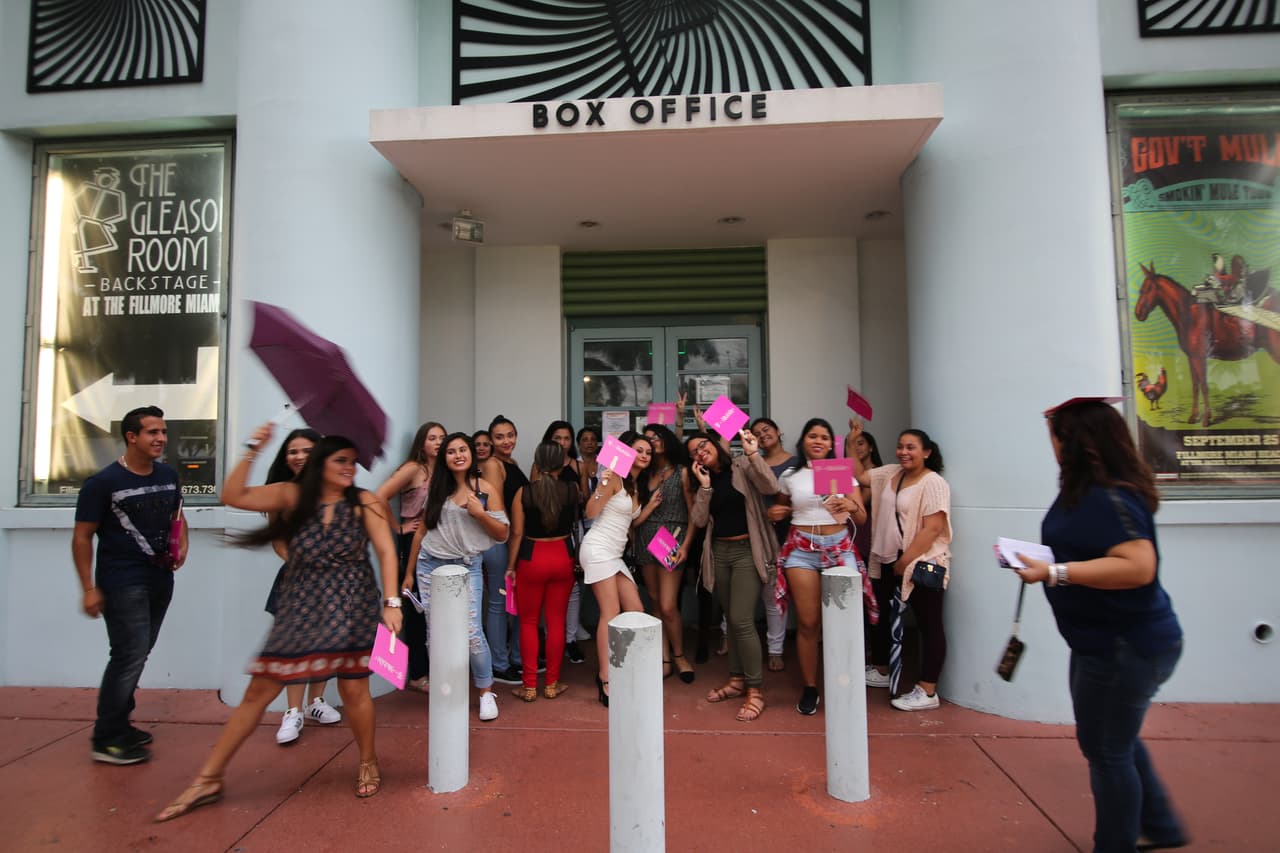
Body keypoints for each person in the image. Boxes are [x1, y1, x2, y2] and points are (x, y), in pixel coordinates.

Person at [154, 428, 401, 821]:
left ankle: (368, 761)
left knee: (354, 692)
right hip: (301, 605)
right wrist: (253, 448)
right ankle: (209, 777)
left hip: (352, 605)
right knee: (259, 690)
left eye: (352, 462)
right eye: (340, 460)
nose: (349, 468)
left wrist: (392, 603)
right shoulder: (291, 495)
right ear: (321, 463)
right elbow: (232, 496)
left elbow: (387, 552)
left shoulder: (364, 501)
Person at [1015, 398, 1186, 853]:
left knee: (1107, 750)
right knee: (1114, 741)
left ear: (1074, 442)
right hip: (1101, 641)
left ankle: (1116, 844)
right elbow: (1086, 547)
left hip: (1125, 644)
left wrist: (1055, 572)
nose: (1050, 446)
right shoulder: (1084, 489)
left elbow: (1137, 566)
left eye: (1054, 436)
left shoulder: (1110, 495)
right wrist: (1047, 562)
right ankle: (1162, 826)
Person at [73, 405, 187, 765]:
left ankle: (120, 723)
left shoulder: (169, 475)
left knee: (138, 652)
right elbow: (82, 537)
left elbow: (177, 517)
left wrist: (182, 546)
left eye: (164, 432)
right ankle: (106, 737)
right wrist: (88, 588)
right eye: (153, 432)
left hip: (160, 577)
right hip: (122, 580)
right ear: (131, 437)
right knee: (127, 654)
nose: (161, 439)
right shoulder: (102, 484)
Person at [848, 418, 951, 711]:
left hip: (919, 564)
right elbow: (858, 475)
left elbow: (932, 529)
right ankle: (881, 671)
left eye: (911, 447)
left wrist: (905, 561)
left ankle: (928, 690)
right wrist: (852, 440)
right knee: (880, 616)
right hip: (885, 560)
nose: (904, 452)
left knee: (929, 625)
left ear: (927, 452)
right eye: (900, 446)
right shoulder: (891, 473)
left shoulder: (934, 482)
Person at [408, 433, 510, 721]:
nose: (457, 455)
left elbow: (503, 533)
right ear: (445, 458)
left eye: (462, 449)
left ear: (471, 455)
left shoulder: (485, 488)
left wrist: (479, 513)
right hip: (429, 565)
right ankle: (447, 689)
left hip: (468, 566)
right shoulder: (436, 489)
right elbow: (421, 531)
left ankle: (485, 691)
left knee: (472, 634)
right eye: (451, 451)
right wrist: (407, 573)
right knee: (436, 635)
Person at [770, 418, 867, 715]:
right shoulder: (790, 475)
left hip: (839, 548)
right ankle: (810, 687)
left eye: (824, 437)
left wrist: (851, 506)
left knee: (844, 623)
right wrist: (776, 512)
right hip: (801, 551)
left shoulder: (843, 473)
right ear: (804, 441)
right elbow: (779, 509)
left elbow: (860, 518)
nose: (819, 441)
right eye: (813, 435)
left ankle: (843, 684)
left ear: (830, 444)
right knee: (809, 623)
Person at [689, 428, 780, 722]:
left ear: (715, 444)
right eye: (694, 452)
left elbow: (770, 486)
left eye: (703, 446)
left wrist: (753, 453)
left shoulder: (741, 465)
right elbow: (700, 520)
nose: (700, 452)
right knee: (731, 617)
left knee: (741, 620)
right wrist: (704, 488)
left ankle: (755, 690)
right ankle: (736, 679)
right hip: (720, 552)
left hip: (746, 550)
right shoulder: (705, 480)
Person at [262, 428, 343, 743]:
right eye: (292, 451)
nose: (298, 457)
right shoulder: (279, 493)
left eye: (306, 451)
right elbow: (278, 540)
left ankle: (316, 702)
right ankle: (292, 712)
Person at [580, 431, 652, 706]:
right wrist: (603, 483)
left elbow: (630, 521)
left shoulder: (635, 484)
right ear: (626, 452)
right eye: (639, 450)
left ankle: (625, 666)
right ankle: (606, 677)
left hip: (614, 553)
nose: (645, 455)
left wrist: (650, 507)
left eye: (648, 452)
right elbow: (590, 512)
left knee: (636, 610)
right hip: (598, 549)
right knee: (610, 614)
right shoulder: (614, 478)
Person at [375, 421, 446, 693]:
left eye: (442, 437)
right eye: (432, 437)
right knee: (415, 610)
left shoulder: (442, 470)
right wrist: (398, 527)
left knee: (434, 610)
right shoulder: (413, 468)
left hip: (437, 543)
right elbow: (379, 496)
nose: (438, 442)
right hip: (412, 541)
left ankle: (431, 668)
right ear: (421, 442)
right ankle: (417, 673)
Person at [506, 442, 577, 701]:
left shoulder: (524, 493)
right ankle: (551, 684)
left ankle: (528, 687)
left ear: (536, 462)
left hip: (532, 558)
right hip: (563, 556)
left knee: (528, 622)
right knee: (557, 622)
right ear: (563, 463)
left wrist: (510, 566)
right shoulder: (572, 489)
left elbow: (516, 533)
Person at [635, 424, 696, 683]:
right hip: (645, 537)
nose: (653, 441)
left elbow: (694, 514)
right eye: (648, 439)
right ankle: (665, 658)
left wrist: (685, 546)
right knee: (655, 600)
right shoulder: (642, 474)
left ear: (668, 440)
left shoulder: (682, 472)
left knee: (669, 604)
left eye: (657, 436)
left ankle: (681, 655)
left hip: (672, 539)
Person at [479, 415, 527, 683]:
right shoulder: (492, 465)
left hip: (514, 540)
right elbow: (496, 509)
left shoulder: (512, 463)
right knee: (499, 603)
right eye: (499, 436)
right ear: (492, 439)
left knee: (515, 601)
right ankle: (499, 663)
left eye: (510, 435)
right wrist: (510, 541)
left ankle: (515, 657)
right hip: (500, 541)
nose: (506, 440)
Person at [750, 416, 797, 671]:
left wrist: (786, 512)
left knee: (775, 597)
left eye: (766, 429)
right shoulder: (751, 463)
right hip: (757, 537)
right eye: (756, 433)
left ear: (778, 431)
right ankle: (729, 638)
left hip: (786, 538)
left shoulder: (797, 464)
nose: (762, 435)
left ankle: (775, 649)